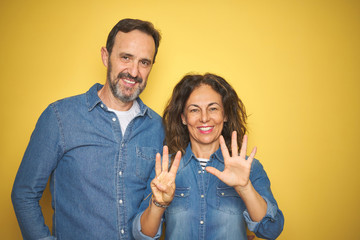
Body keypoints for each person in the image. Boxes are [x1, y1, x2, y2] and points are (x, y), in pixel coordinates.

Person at [11, 18, 164, 240]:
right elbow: (24, 193)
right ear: (105, 56)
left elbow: (153, 209)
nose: (133, 71)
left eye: (144, 62)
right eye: (125, 57)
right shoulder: (60, 117)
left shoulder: (157, 128)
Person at [132, 73, 285, 240]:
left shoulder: (250, 168)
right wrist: (158, 204)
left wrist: (245, 188)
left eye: (213, 108)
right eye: (194, 110)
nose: (204, 118)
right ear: (183, 118)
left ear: (225, 114)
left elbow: (271, 230)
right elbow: (141, 236)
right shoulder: (164, 169)